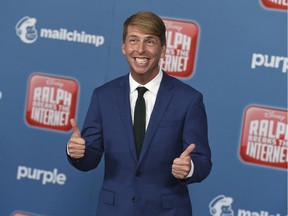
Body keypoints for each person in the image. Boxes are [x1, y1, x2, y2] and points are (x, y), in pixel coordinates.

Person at [67, 11, 212, 216]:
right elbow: (90, 157)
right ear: (123, 47)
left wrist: (189, 169)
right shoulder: (103, 96)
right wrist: (77, 153)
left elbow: (203, 160)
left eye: (150, 42)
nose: (140, 50)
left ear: (163, 49)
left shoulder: (189, 100)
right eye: (133, 40)